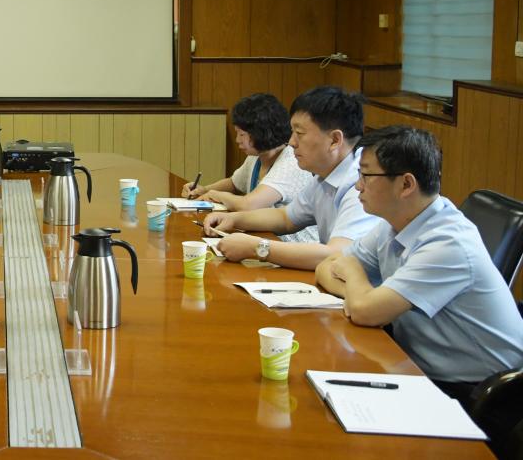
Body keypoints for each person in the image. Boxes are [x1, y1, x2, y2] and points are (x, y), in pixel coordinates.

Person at [316, 126, 523, 397]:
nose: (358, 185)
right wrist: (359, 297)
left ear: (406, 184)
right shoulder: (394, 224)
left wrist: (355, 277)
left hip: (482, 392)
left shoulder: (448, 243)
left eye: (366, 175)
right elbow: (326, 267)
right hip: (413, 364)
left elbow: (365, 311)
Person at [204, 86, 379, 270]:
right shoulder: (325, 175)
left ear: (335, 140)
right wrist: (234, 219)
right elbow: (286, 218)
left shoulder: (362, 182)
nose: (292, 142)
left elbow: (336, 255)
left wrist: (257, 248)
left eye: (300, 134)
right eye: (292, 132)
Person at [181, 93, 318, 242]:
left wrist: (216, 195)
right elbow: (234, 183)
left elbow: (248, 205)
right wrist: (204, 190)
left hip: (292, 246)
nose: (237, 140)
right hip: (263, 239)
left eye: (241, 134)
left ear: (260, 133)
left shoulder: (290, 163)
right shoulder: (257, 156)